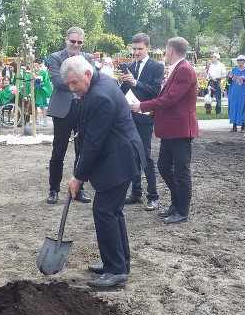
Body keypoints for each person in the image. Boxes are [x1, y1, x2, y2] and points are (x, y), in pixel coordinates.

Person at [62, 55, 145, 289]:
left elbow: (94, 144)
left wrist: (78, 177)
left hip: (118, 160)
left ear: (88, 74)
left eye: (74, 83)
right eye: (68, 84)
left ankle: (116, 271)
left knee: (105, 210)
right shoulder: (100, 84)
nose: (72, 88)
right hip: (121, 155)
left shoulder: (99, 96)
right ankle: (119, 262)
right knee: (113, 211)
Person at [133, 37, 199, 225]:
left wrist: (142, 106)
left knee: (181, 171)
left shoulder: (184, 70)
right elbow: (170, 99)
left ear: (170, 50)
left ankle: (182, 210)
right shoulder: (179, 69)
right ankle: (176, 204)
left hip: (180, 128)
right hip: (172, 128)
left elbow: (170, 99)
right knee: (164, 165)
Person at [46, 26, 96, 205]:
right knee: (58, 151)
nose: (76, 44)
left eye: (79, 42)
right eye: (73, 41)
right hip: (62, 110)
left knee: (81, 151)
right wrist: (78, 83)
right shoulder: (56, 57)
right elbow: (57, 81)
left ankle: (79, 189)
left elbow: (93, 79)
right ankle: (53, 189)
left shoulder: (88, 58)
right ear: (66, 40)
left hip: (84, 108)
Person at [119, 32, 163, 212]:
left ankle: (153, 195)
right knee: (131, 155)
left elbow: (155, 91)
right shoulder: (129, 66)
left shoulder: (156, 67)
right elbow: (123, 91)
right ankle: (136, 192)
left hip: (145, 117)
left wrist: (135, 82)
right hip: (129, 117)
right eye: (134, 49)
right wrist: (120, 83)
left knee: (146, 156)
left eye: (140, 49)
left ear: (148, 48)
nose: (136, 52)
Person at [227, 55, 245, 132]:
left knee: (242, 108)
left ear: (244, 61)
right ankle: (234, 126)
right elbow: (229, 82)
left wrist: (244, 79)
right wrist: (230, 77)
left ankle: (243, 126)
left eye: (241, 60)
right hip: (234, 92)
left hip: (243, 92)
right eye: (238, 60)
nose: (239, 62)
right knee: (233, 107)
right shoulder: (234, 70)